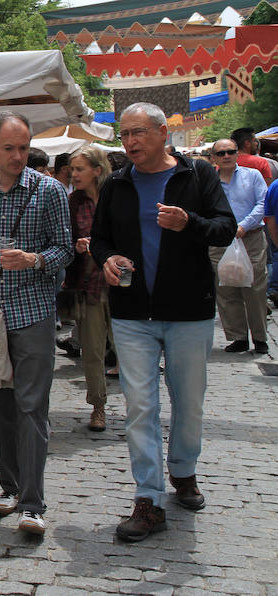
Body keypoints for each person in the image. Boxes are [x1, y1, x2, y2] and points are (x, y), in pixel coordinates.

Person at [90, 102, 235, 542]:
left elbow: (224, 228)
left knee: (188, 402)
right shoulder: (116, 184)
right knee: (140, 408)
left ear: (161, 133)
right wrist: (107, 259)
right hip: (133, 314)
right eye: (124, 135)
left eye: (138, 133)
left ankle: (185, 471)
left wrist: (188, 222)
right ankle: (148, 499)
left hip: (189, 311)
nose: (130, 142)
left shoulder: (196, 176)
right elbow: (100, 238)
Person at [0, 111, 72, 535]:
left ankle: (32, 503)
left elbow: (65, 249)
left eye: (24, 147)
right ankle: (9, 488)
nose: (18, 156)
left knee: (31, 406)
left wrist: (34, 260)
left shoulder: (49, 191)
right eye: (9, 148)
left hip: (33, 311)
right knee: (0, 405)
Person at [62, 145, 112, 431]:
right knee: (92, 350)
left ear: (97, 170)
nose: (74, 174)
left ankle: (142, 406)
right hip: (89, 285)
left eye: (80, 169)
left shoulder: (115, 197)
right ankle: (98, 406)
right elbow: (62, 241)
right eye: (72, 169)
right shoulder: (73, 203)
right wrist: (77, 245)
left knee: (130, 350)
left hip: (121, 283)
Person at [209, 138, 269, 354]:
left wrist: (243, 226)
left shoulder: (252, 176)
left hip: (250, 238)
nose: (226, 156)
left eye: (230, 152)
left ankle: (260, 338)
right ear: (213, 157)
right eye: (221, 153)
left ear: (237, 154)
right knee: (226, 289)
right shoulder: (210, 181)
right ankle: (238, 337)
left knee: (254, 288)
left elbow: (263, 203)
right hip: (220, 241)